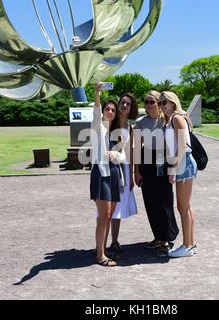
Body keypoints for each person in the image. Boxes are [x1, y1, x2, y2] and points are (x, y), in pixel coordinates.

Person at [134, 90, 179, 256]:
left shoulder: (167, 119)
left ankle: (167, 238)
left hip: (163, 161)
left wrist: (173, 168)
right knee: (150, 202)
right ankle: (158, 237)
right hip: (146, 162)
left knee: (165, 201)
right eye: (146, 102)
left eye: (152, 101)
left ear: (159, 103)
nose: (149, 105)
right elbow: (137, 148)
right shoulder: (140, 122)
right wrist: (136, 171)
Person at [90, 83, 125, 267]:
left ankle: (101, 249)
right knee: (104, 215)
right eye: (107, 109)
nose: (110, 111)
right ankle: (100, 255)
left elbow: (123, 156)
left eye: (113, 109)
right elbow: (96, 114)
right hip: (101, 173)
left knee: (108, 215)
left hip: (113, 174)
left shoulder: (116, 133)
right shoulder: (98, 128)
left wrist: (116, 155)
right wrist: (97, 93)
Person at [160, 91, 198, 258]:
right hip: (184, 162)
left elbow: (182, 144)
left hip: (183, 162)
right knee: (186, 206)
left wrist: (174, 168)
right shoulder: (175, 117)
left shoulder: (176, 118)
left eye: (164, 102)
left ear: (173, 103)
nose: (161, 106)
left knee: (183, 206)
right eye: (160, 103)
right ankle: (190, 244)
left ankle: (187, 245)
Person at [108, 93, 139, 254]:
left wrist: (133, 174)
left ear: (131, 108)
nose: (124, 105)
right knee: (108, 204)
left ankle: (114, 241)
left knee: (118, 205)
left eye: (128, 103)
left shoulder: (130, 127)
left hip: (125, 169)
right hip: (110, 168)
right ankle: (102, 244)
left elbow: (131, 152)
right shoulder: (110, 122)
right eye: (123, 102)